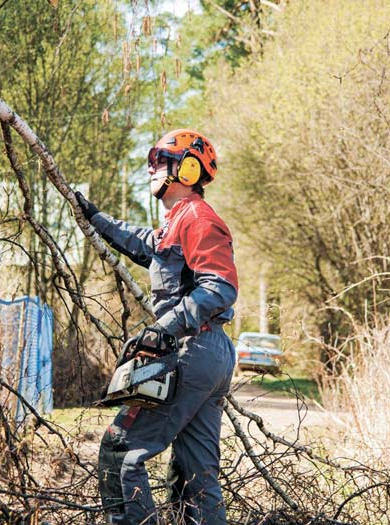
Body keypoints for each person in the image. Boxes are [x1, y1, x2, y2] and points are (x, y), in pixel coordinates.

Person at [75, 129, 239, 525]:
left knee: (121, 451)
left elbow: (221, 286)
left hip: (192, 348)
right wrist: (96, 219)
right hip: (207, 352)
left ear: (188, 168)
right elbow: (146, 244)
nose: (151, 168)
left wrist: (165, 328)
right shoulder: (176, 222)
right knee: (195, 479)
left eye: (161, 160)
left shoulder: (198, 217)